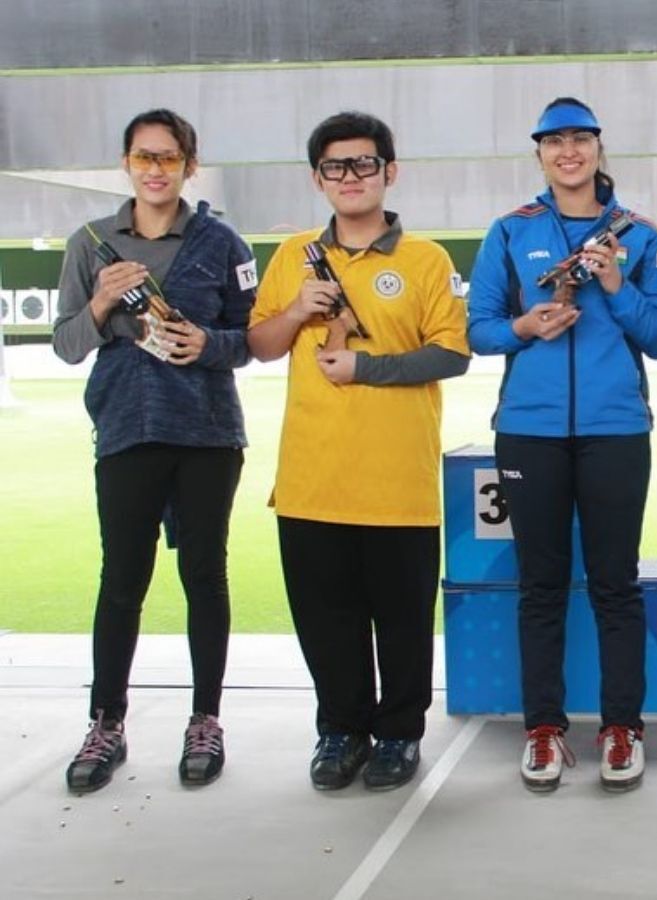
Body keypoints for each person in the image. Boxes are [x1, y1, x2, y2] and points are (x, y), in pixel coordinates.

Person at [248, 112, 470, 792]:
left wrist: (366, 368)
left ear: (389, 172)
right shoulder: (292, 257)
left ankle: (399, 735)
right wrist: (295, 311)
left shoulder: (426, 259)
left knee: (402, 625)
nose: (350, 177)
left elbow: (452, 354)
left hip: (396, 482)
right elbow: (260, 345)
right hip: (312, 478)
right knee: (326, 621)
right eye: (336, 167)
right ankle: (340, 730)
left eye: (364, 164)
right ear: (319, 179)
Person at [467, 98, 657, 793]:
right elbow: (480, 331)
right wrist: (526, 326)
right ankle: (544, 729)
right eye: (554, 142)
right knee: (541, 587)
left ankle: (622, 729)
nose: (568, 153)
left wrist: (615, 284)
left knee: (617, 584)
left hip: (616, 429)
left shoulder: (639, 236)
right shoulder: (510, 230)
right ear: (539, 155)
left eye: (580, 140)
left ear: (597, 148)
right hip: (529, 428)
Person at [52, 108, 256, 793]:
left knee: (205, 574)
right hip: (126, 431)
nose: (156, 168)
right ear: (127, 163)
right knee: (123, 580)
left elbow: (249, 341)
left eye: (169, 157)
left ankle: (206, 718)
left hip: (206, 434)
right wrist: (103, 305)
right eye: (144, 157)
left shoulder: (222, 242)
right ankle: (105, 722)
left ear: (189, 166)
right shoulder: (92, 245)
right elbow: (67, 344)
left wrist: (209, 344)